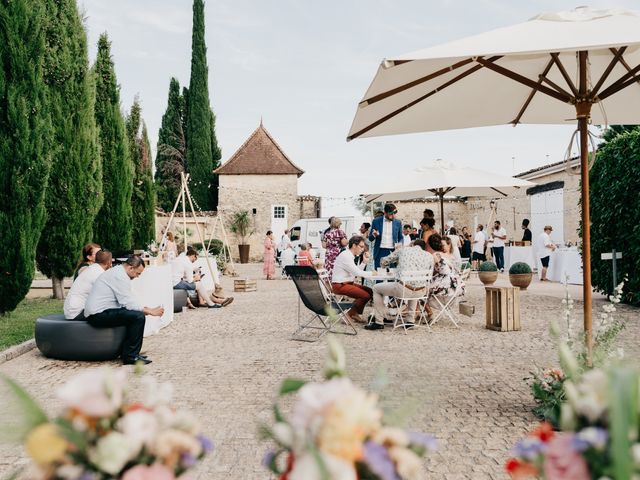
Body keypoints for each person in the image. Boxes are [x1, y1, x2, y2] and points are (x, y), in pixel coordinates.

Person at [84, 255, 163, 365]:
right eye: (138, 273)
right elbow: (128, 302)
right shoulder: (119, 276)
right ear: (130, 268)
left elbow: (128, 300)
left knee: (134, 315)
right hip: (97, 315)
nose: (137, 277)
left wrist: (145, 309)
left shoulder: (118, 273)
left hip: (101, 312)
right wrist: (149, 311)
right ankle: (131, 356)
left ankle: (128, 353)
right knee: (138, 317)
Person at [367, 239, 433, 330]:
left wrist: (396, 253)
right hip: (420, 292)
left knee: (376, 288)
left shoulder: (403, 250)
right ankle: (410, 320)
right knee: (415, 284)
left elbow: (384, 262)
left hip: (404, 290)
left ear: (412, 244)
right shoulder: (429, 256)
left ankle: (379, 321)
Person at [331, 236, 376, 323]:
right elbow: (357, 273)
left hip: (346, 283)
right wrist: (372, 273)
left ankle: (354, 312)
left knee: (370, 291)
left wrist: (364, 262)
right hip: (340, 285)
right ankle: (350, 313)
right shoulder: (346, 256)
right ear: (354, 245)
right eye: (361, 246)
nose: (363, 249)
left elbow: (355, 272)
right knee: (365, 295)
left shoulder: (349, 255)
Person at [64, 250, 112, 320]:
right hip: (77, 313)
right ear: (109, 262)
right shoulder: (99, 273)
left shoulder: (92, 269)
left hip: (71, 310)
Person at [428, 234, 465, 298]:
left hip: (445, 285)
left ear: (449, 245)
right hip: (457, 285)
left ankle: (427, 308)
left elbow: (432, 271)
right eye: (441, 245)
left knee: (422, 292)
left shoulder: (438, 255)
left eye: (443, 245)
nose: (442, 247)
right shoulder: (452, 256)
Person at [369, 203, 403, 269]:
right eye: (391, 214)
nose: (393, 216)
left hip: (393, 252)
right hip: (380, 252)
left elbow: (400, 237)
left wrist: (400, 244)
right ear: (385, 212)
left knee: (392, 276)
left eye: (394, 213)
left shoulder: (398, 222)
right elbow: (370, 238)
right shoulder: (376, 221)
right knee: (380, 276)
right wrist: (374, 235)